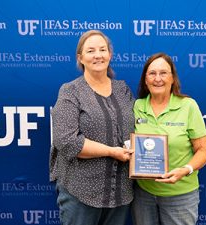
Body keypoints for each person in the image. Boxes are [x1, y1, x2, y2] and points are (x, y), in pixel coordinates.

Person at [49, 30, 135, 225]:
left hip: (120, 191)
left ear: (110, 55)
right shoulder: (70, 91)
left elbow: (137, 129)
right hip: (81, 191)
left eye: (103, 49)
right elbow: (67, 141)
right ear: (81, 58)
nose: (98, 55)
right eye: (91, 51)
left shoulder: (123, 89)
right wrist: (112, 152)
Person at [131, 52, 206, 225]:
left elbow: (203, 150)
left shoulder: (188, 106)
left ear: (173, 78)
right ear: (145, 80)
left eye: (163, 73)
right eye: (152, 73)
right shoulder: (137, 106)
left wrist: (185, 169)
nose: (157, 78)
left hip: (180, 195)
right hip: (143, 194)